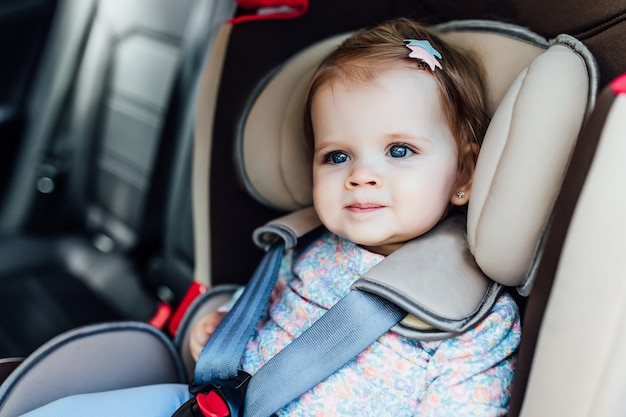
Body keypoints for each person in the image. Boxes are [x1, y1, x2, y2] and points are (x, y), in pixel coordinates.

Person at [22, 17, 520, 417]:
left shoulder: (472, 317)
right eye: (337, 156)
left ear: (465, 175)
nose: (361, 176)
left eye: (399, 149)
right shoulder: (303, 247)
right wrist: (210, 332)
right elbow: (248, 317)